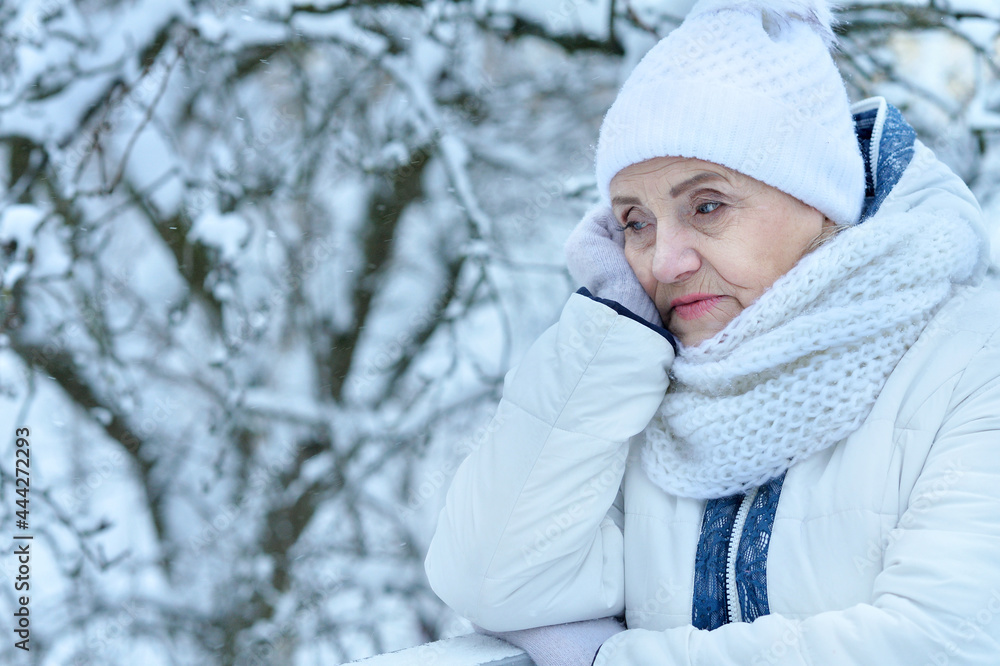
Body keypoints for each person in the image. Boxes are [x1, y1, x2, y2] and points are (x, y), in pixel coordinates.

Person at [424, 0, 1000, 664]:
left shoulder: (972, 361)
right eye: (635, 222)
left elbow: (948, 642)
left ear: (821, 200)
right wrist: (609, 333)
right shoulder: (640, 388)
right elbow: (490, 580)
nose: (664, 262)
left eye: (707, 206)